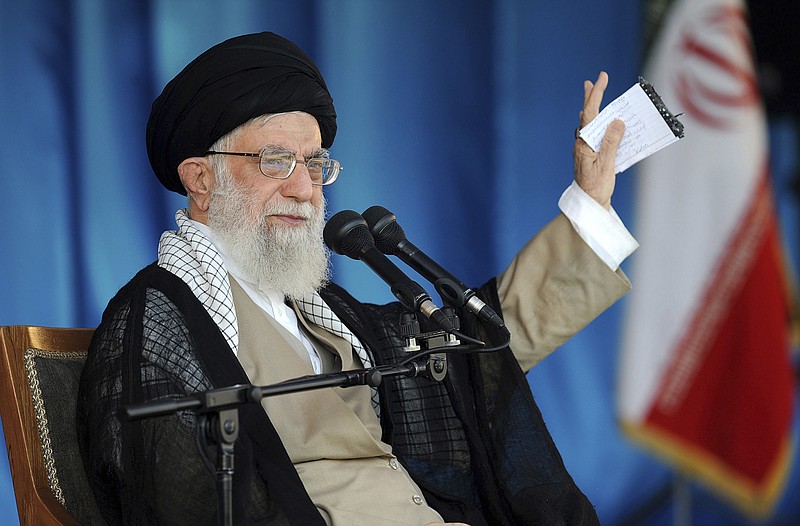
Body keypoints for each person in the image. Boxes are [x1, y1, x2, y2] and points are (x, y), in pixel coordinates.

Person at [77, 31, 635, 526]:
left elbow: (474, 343)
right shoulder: (162, 318)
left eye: (316, 165)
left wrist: (589, 206)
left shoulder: (324, 311)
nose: (305, 189)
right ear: (200, 178)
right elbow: (180, 497)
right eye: (276, 162)